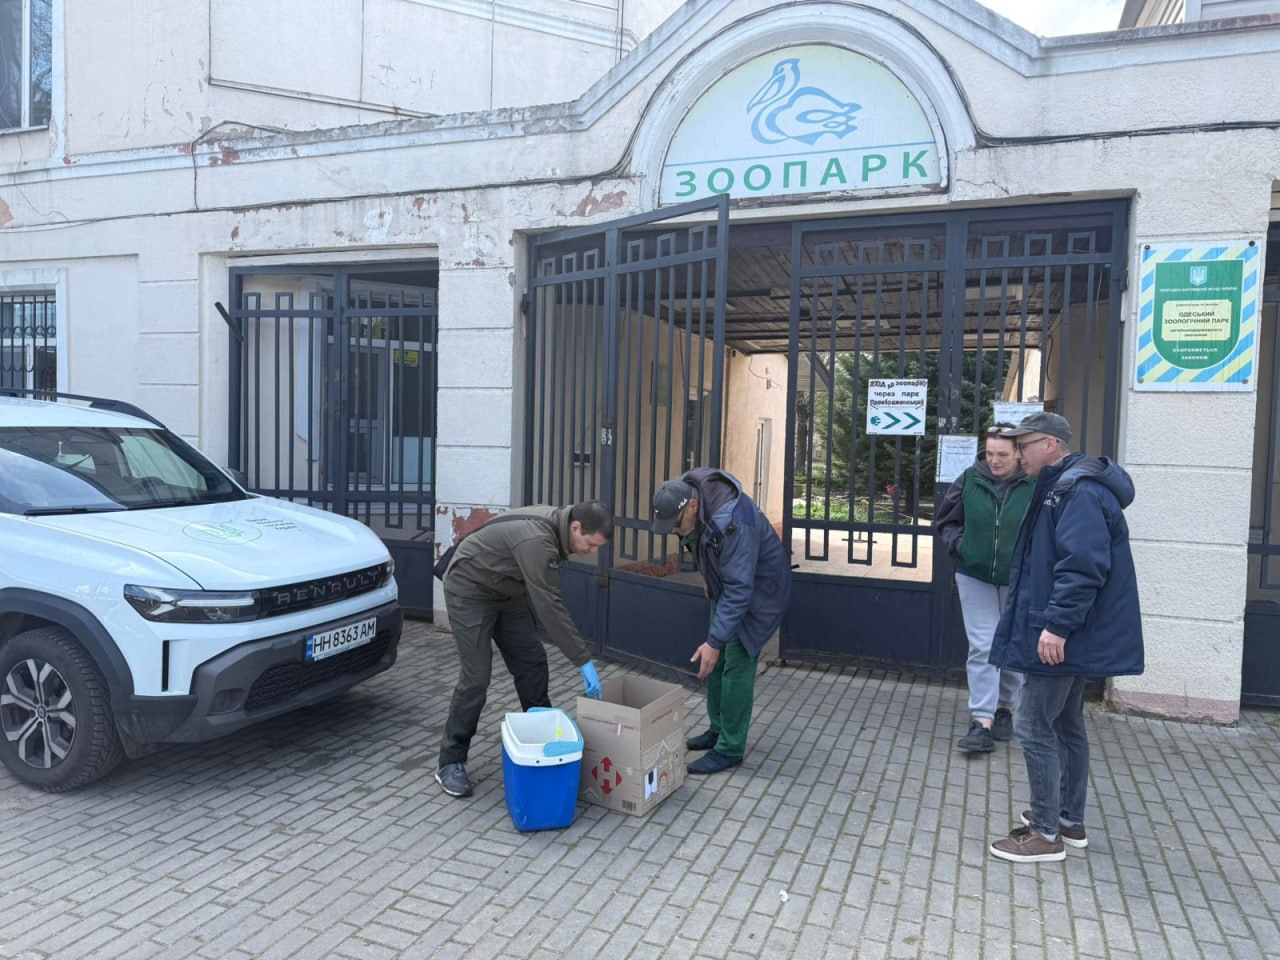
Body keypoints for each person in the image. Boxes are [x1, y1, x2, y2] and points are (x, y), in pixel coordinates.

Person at [987, 412, 1143, 863]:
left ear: (1050, 445)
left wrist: (1057, 626)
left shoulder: (1075, 492)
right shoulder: (1064, 487)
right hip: (1073, 632)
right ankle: (1068, 820)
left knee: (1034, 724)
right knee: (1067, 723)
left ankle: (1044, 832)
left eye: (1024, 445)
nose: (1018, 454)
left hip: (1061, 634)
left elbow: (1082, 567)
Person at [435, 501, 613, 798]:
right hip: (470, 589)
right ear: (576, 527)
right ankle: (450, 761)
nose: (593, 552)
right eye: (592, 544)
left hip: (506, 591)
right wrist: (583, 661)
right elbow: (549, 606)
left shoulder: (556, 526)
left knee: (532, 660)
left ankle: (542, 739)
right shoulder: (538, 541)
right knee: (476, 678)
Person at [650, 468, 791, 775]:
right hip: (728, 587)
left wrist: (715, 641)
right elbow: (697, 541)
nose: (673, 530)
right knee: (713, 660)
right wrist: (707, 576)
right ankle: (717, 729)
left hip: (758, 595)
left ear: (692, 506)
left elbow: (742, 589)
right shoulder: (692, 493)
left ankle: (730, 748)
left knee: (735, 664)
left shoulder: (734, 521)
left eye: (675, 523)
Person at [935, 424, 1035, 754]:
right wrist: (962, 546)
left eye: (1002, 455)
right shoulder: (969, 479)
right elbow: (947, 521)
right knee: (983, 645)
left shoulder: (1034, 484)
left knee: (1010, 644)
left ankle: (1005, 707)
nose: (993, 460)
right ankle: (982, 721)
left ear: (1019, 454)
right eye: (989, 453)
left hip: (1018, 577)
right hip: (974, 574)